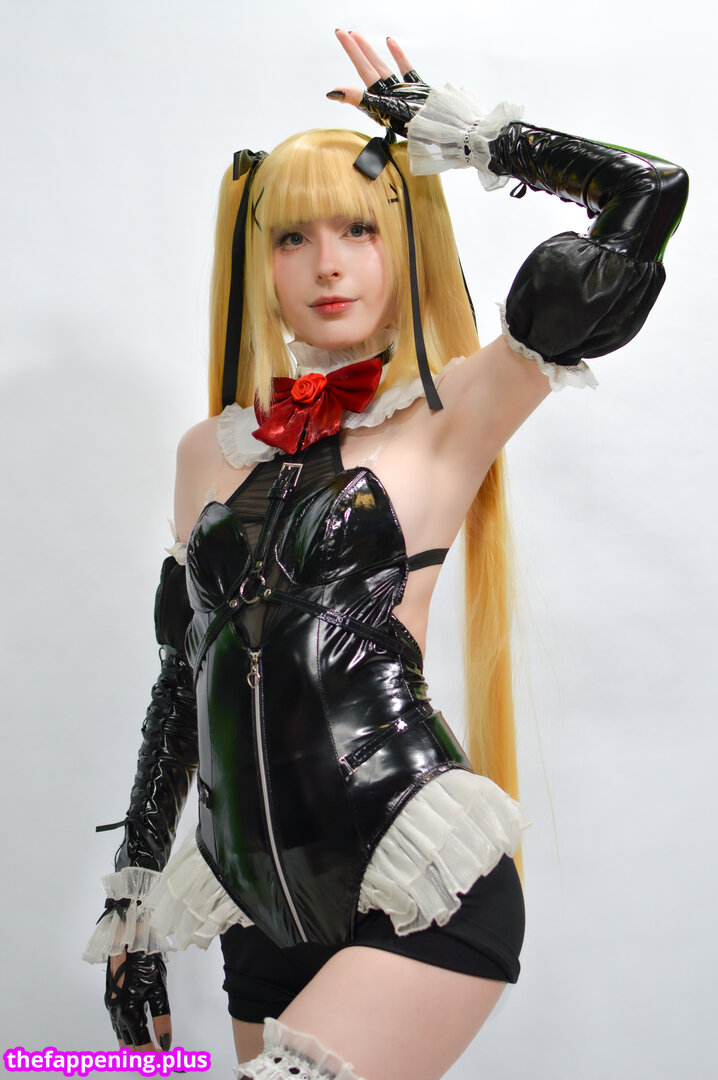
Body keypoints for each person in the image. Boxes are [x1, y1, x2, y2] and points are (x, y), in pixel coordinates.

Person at [83, 29, 688, 1080]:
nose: (327, 263)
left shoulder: (450, 418)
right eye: (293, 237)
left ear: (402, 240)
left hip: (417, 885)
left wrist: (464, 135)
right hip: (256, 910)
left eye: (359, 228)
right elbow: (184, 679)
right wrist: (132, 900)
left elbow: (649, 198)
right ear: (258, 260)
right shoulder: (206, 454)